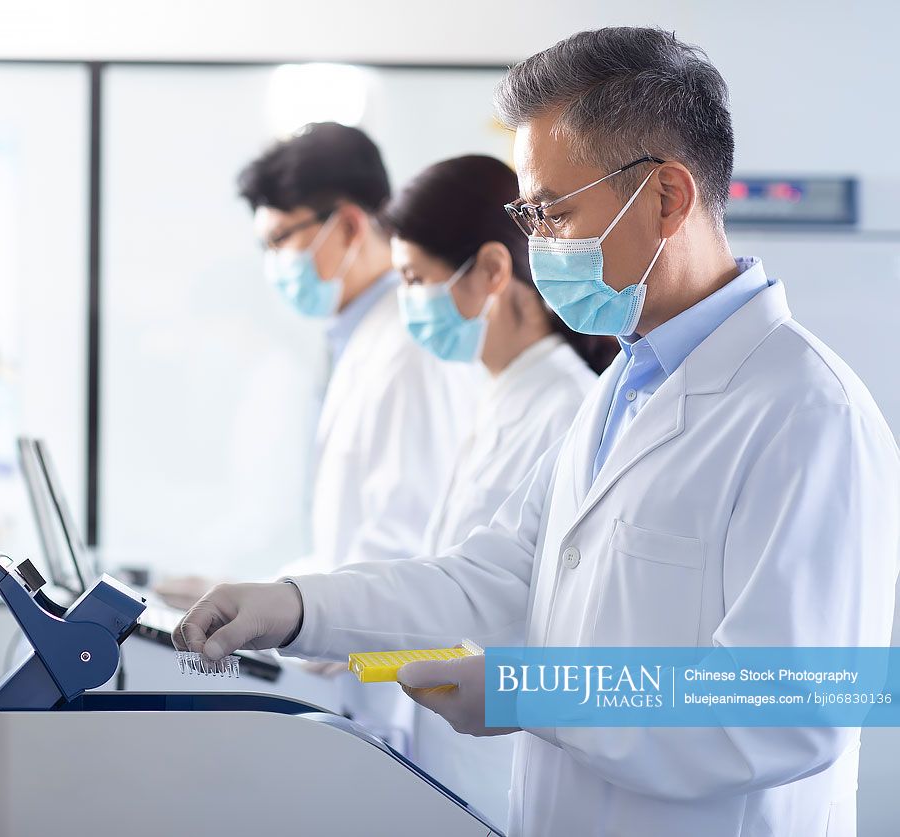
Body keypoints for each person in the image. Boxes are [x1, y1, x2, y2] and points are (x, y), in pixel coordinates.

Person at [175, 27, 900, 836]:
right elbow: (487, 579)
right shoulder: (621, 391)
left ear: (666, 196)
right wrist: (294, 604)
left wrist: (533, 690)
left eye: (553, 212)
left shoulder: (806, 411)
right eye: (528, 214)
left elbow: (794, 705)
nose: (537, 244)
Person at [158, 122, 477, 748]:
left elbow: (404, 545)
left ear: (351, 226)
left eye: (282, 238)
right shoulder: (364, 342)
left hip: (402, 698)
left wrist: (292, 609)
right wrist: (257, 593)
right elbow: (354, 538)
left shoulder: (412, 348)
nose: (276, 263)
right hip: (364, 683)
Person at [385, 153, 613, 818]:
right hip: (454, 760)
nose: (408, 302)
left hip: (502, 765)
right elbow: (454, 576)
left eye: (415, 279)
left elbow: (516, 604)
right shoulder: (499, 396)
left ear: (491, 270)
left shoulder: (566, 409)